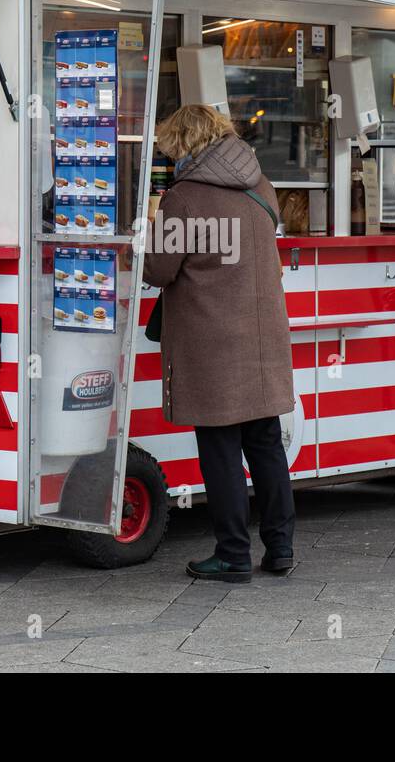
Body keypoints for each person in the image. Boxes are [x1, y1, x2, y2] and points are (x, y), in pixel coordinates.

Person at [143, 104, 296, 583]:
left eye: (172, 147)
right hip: (263, 339)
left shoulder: (185, 199)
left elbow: (158, 270)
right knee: (266, 444)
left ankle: (232, 554)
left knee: (221, 447)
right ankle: (281, 549)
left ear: (187, 144)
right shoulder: (261, 185)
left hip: (213, 345)